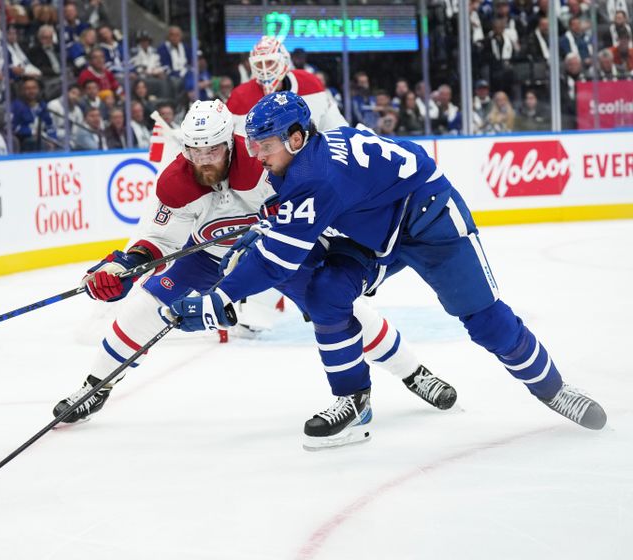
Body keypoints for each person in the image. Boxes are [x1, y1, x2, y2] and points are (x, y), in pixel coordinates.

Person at [166, 91, 607, 449]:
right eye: (253, 145)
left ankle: (554, 389)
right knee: (324, 295)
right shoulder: (297, 161)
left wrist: (217, 300)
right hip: (369, 228)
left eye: (264, 145)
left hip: (429, 218)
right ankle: (353, 403)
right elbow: (297, 215)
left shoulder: (317, 174)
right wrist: (274, 222)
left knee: (485, 321)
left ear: (297, 137)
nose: (257, 155)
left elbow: (278, 259)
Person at [52, 100, 457, 434]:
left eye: (211, 150)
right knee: (145, 304)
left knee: (336, 306)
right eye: (194, 151)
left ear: (231, 142)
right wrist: (125, 266)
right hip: (207, 254)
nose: (202, 161)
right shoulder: (175, 181)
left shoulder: (266, 160)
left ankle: (413, 372)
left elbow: (313, 202)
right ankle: (95, 387)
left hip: (272, 252)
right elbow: (157, 240)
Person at [226, 36, 346, 134]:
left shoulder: (310, 83)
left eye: (270, 62)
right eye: (259, 64)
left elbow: (335, 128)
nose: (265, 70)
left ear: (284, 61)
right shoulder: (239, 97)